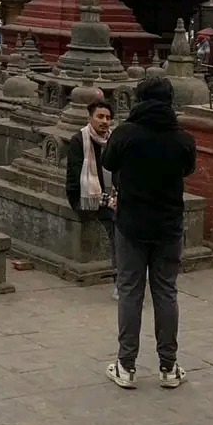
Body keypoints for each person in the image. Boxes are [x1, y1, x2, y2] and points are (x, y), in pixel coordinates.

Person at [102, 73, 197, 391]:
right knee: (166, 293)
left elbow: (108, 160)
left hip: (131, 224)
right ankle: (168, 367)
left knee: (130, 291)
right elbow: (188, 169)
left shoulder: (126, 133)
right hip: (169, 225)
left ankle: (126, 366)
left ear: (139, 100)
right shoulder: (182, 138)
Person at [66, 96, 117, 292]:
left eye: (108, 117)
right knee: (116, 226)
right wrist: (101, 197)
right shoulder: (79, 140)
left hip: (110, 196)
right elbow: (75, 175)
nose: (104, 121)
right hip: (86, 196)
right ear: (90, 118)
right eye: (100, 116)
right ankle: (119, 281)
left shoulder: (113, 140)